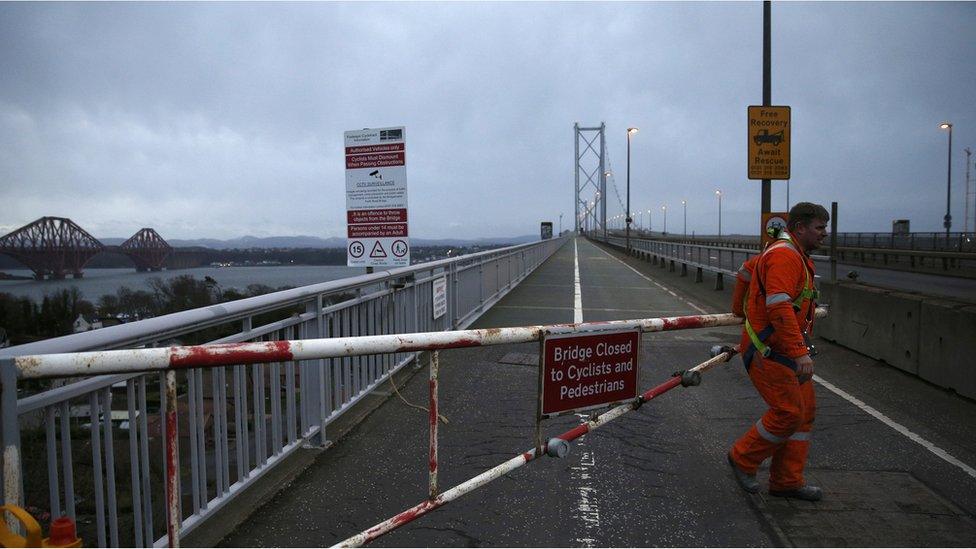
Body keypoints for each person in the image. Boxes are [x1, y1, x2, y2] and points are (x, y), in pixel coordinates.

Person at [727, 202, 829, 501]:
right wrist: (799, 352)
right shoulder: (785, 255)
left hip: (784, 346)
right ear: (799, 228)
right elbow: (779, 305)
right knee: (788, 412)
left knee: (804, 413)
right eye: (819, 227)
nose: (825, 233)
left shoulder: (789, 253)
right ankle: (742, 458)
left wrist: (738, 309)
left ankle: (786, 480)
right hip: (769, 349)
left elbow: (746, 271)